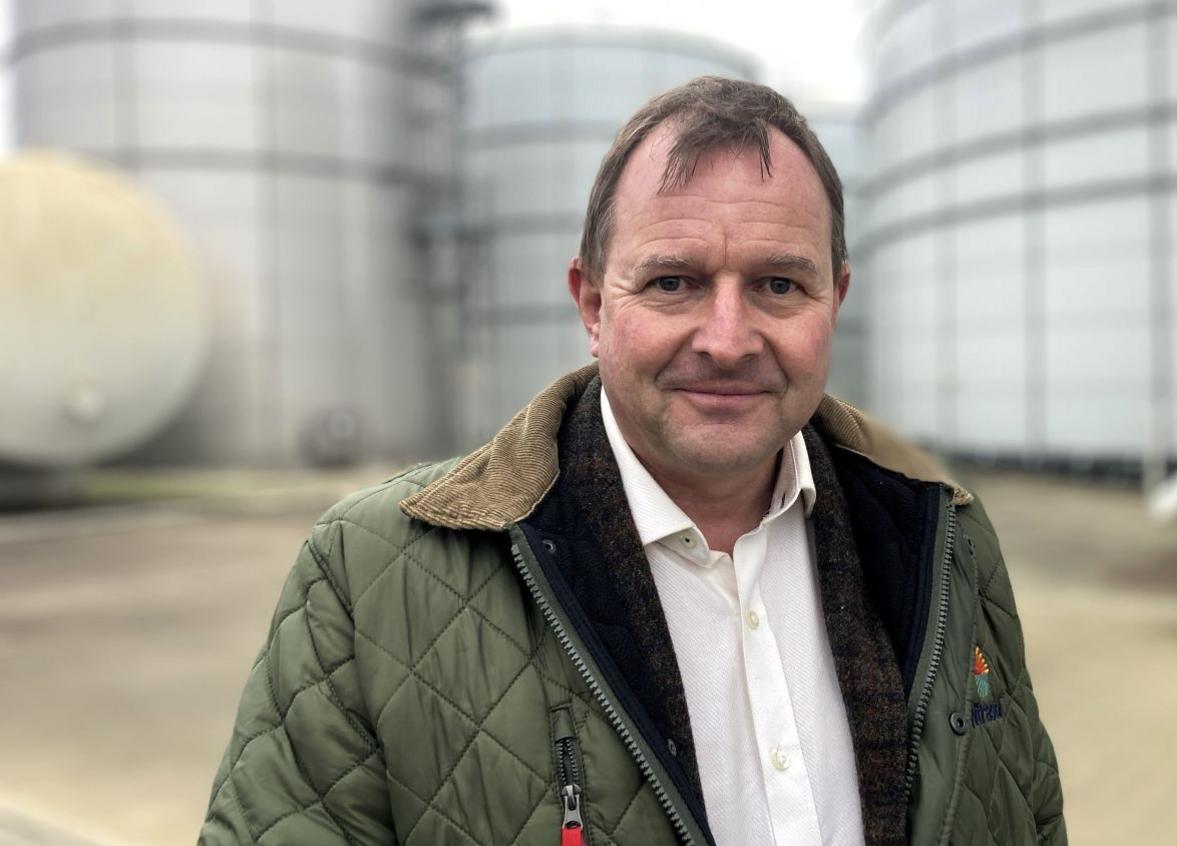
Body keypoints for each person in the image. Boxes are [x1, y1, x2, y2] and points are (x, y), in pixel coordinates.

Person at [200, 76, 1065, 846]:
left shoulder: (943, 536)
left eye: (778, 285)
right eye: (673, 282)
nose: (727, 342)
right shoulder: (369, 577)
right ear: (590, 301)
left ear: (833, 300)